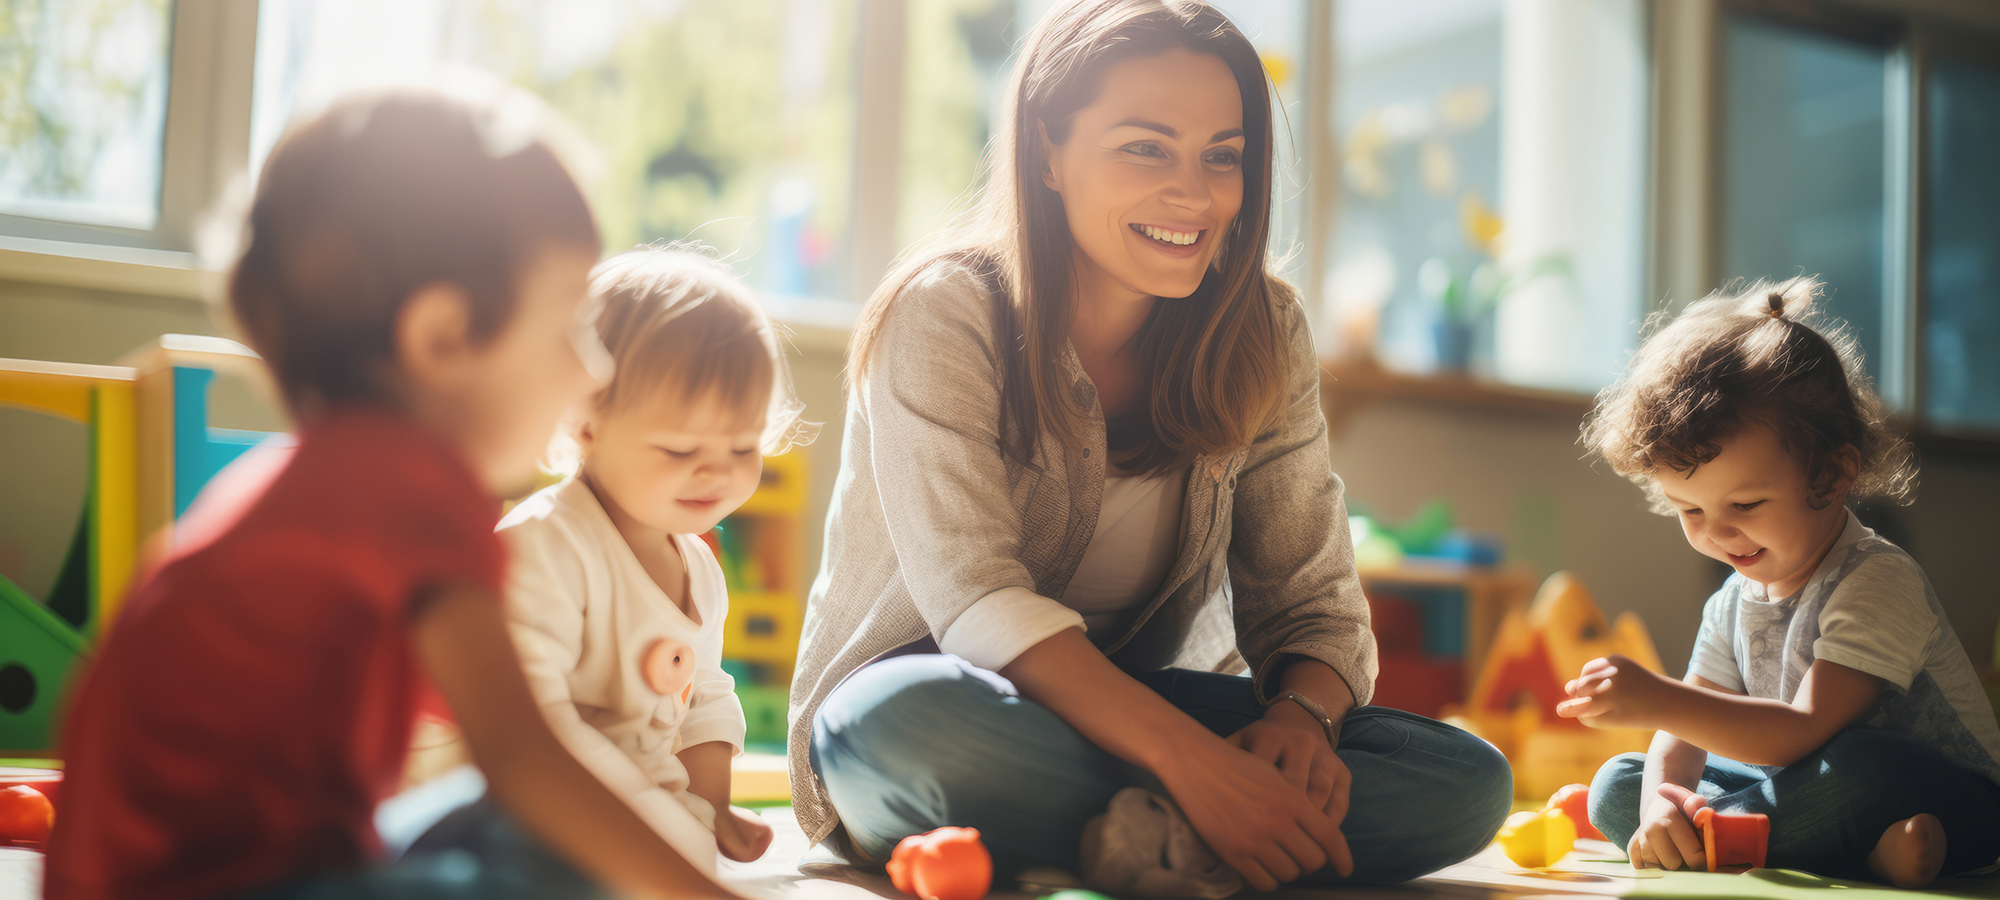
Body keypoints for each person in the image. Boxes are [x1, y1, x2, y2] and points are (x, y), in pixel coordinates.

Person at [790, 0, 1511, 893]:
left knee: (1466, 781)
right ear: (1047, 150)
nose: (1196, 193)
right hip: (954, 701)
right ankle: (1209, 826)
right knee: (899, 727)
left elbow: (1314, 607)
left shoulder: (1264, 332)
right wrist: (1198, 768)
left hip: (1133, 714)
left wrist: (1298, 721)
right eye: (1145, 147)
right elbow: (977, 603)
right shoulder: (945, 314)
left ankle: (1136, 839)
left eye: (1223, 155)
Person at [44, 87, 736, 900]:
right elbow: (524, 756)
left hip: (257, 863)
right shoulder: (409, 487)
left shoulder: (330, 471)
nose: (595, 369)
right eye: (568, 325)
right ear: (442, 336)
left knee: (530, 828)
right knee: (561, 846)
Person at [1566, 277, 2000, 887]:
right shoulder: (1732, 600)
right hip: (1808, 786)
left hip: (1939, 794)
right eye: (1691, 511)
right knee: (1620, 784)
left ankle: (1737, 839)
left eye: (1744, 505)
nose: (1716, 535)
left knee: (1856, 764)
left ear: (1831, 472)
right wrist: (1661, 804)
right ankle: (1837, 851)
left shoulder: (1877, 580)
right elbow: (1688, 733)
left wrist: (1660, 696)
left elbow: (1800, 733)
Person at [487, 246, 809, 867]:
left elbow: (705, 699)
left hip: (656, 822)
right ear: (585, 428)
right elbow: (526, 725)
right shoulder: (547, 545)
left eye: (744, 447)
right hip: (550, 818)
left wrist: (713, 808)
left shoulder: (701, 569)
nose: (716, 470)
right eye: (679, 448)